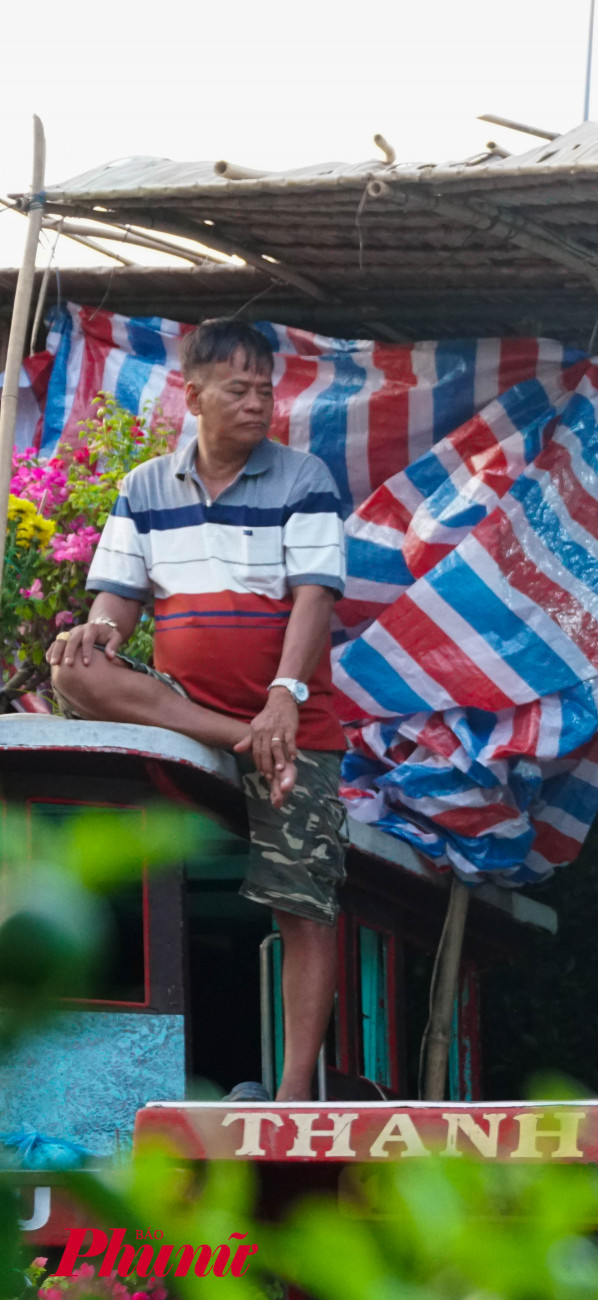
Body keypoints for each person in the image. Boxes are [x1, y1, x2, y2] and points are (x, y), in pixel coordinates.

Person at [48, 319, 348, 1103]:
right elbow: (116, 608)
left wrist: (286, 696)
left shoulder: (304, 477)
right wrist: (97, 629)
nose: (258, 403)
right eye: (239, 389)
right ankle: (241, 740)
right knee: (73, 667)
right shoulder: (146, 485)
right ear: (195, 394)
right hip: (195, 714)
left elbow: (315, 599)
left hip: (295, 721)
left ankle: (287, 1099)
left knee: (304, 896)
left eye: (265, 389)